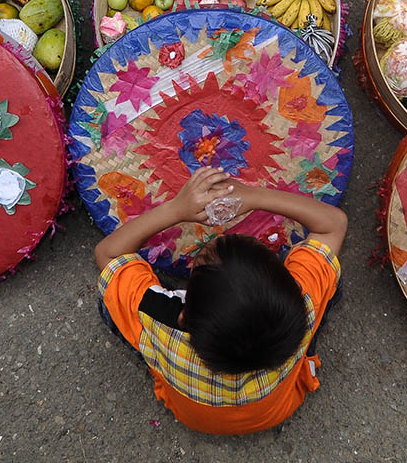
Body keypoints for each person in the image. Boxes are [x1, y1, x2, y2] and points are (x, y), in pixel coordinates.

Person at [95, 166, 347, 435]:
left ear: (183, 316)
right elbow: (333, 224)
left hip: (191, 415)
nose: (222, 235)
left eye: (199, 263)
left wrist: (176, 210)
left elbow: (107, 255)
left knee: (111, 299)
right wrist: (253, 197)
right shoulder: (304, 304)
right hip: (276, 408)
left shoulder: (163, 325)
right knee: (329, 275)